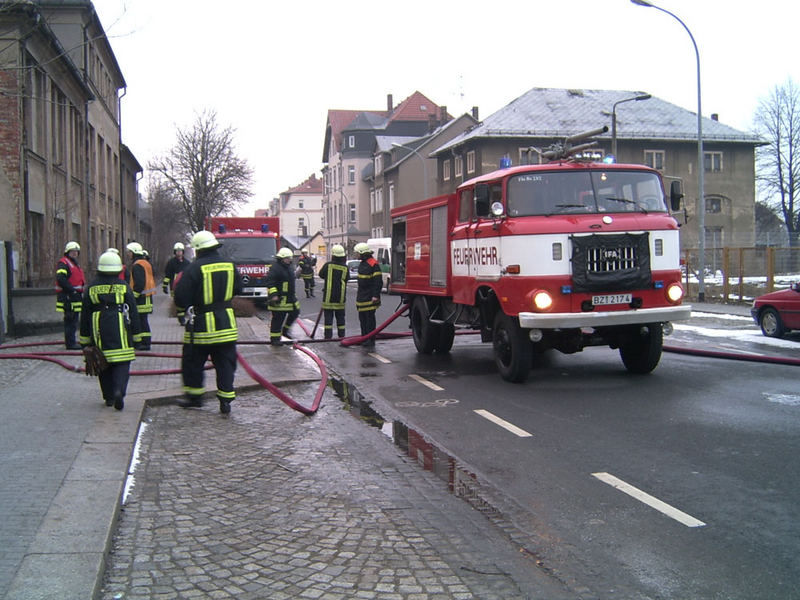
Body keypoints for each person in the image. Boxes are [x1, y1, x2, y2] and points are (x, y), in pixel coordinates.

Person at [174, 230, 243, 414]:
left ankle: (195, 397)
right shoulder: (229, 265)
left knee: (193, 362)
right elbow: (238, 287)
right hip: (226, 324)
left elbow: (181, 297)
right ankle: (226, 401)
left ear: (198, 250)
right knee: (226, 363)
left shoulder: (193, 268)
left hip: (201, 327)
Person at [78, 250, 142, 411]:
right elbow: (133, 312)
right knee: (122, 362)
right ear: (117, 269)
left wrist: (84, 340)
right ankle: (119, 390)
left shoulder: (91, 287)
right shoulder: (123, 286)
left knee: (102, 362)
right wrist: (137, 336)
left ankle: (108, 397)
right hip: (119, 325)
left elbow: (84, 314)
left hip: (97, 327)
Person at [265, 247, 300, 346]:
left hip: (290, 298)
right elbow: (270, 283)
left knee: (295, 312)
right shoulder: (275, 268)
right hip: (279, 299)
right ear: (282, 258)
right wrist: (274, 295)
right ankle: (275, 339)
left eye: (290, 258)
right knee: (278, 318)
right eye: (288, 258)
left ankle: (285, 331)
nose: (290, 260)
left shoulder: (288, 267)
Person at [55, 241, 85, 349]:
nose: (75, 253)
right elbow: (61, 279)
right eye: (72, 251)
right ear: (67, 252)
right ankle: (70, 343)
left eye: (76, 252)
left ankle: (71, 341)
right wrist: (71, 291)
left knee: (73, 320)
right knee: (70, 320)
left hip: (74, 296)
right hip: (68, 296)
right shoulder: (64, 263)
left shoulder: (73, 263)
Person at [126, 242, 156, 350]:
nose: (128, 254)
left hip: (141, 299)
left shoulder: (137, 265)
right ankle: (144, 343)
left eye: (129, 252)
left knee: (140, 322)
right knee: (143, 321)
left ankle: (143, 344)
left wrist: (132, 297)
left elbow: (139, 283)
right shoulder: (145, 262)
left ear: (134, 252)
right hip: (146, 297)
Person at [354, 242, 382, 347]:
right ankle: (364, 337)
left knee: (369, 319)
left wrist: (375, 295)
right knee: (362, 319)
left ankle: (370, 339)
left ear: (362, 253)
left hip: (370, 297)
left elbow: (378, 282)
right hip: (362, 296)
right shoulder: (363, 263)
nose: (356, 255)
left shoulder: (373, 264)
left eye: (357, 253)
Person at [317, 244, 348, 339]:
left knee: (328, 319)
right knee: (340, 318)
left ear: (333, 255)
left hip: (328, 297)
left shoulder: (328, 265)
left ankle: (328, 337)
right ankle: (341, 336)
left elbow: (321, 274)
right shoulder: (345, 268)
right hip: (340, 297)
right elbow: (347, 279)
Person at [163, 241, 191, 324]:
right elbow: (167, 275)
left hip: (185, 285)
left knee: (186, 301)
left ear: (183, 252)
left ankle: (186, 316)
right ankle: (181, 318)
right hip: (175, 286)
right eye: (177, 251)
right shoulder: (171, 263)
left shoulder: (187, 263)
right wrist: (165, 286)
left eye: (180, 251)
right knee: (178, 301)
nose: (179, 253)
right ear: (175, 252)